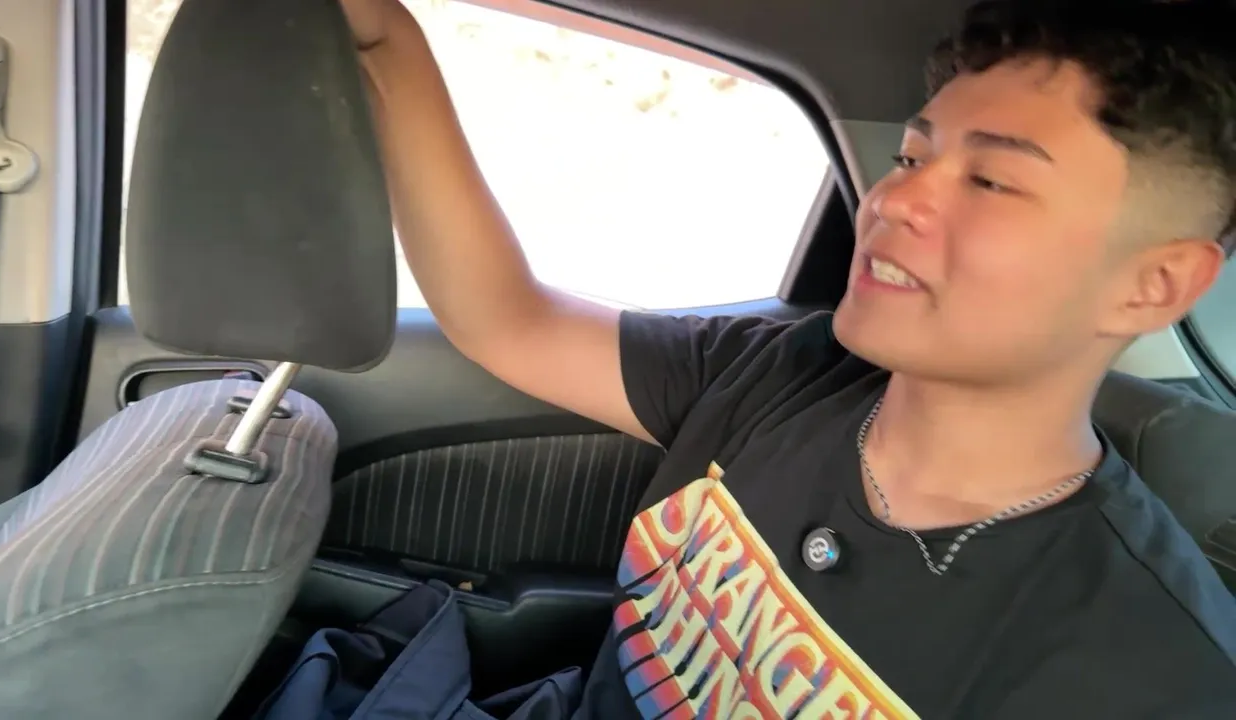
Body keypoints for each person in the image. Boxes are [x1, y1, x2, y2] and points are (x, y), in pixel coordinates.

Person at [337, 0, 1236, 716]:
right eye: (910, 156)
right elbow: (509, 320)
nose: (893, 199)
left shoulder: (1152, 668)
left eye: (991, 180)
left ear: (1153, 285)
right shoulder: (788, 373)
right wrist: (388, 43)